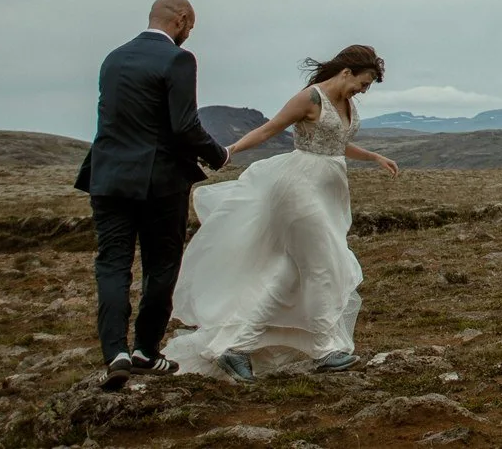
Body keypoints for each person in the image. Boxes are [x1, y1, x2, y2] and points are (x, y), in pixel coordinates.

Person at [162, 45, 400, 380]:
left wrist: (373, 156)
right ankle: (323, 349)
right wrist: (229, 152)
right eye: (364, 82)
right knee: (323, 266)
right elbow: (268, 129)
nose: (364, 90)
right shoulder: (310, 99)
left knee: (291, 271)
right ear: (347, 72)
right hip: (299, 188)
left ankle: (237, 347)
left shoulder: (344, 102)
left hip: (329, 191)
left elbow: (336, 141)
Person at [75, 0, 232, 389]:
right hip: (159, 181)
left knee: (112, 264)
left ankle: (116, 354)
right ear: (180, 19)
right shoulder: (178, 59)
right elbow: (184, 125)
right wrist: (217, 155)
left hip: (107, 177)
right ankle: (146, 349)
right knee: (161, 264)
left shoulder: (113, 58)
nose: (189, 36)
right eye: (191, 28)